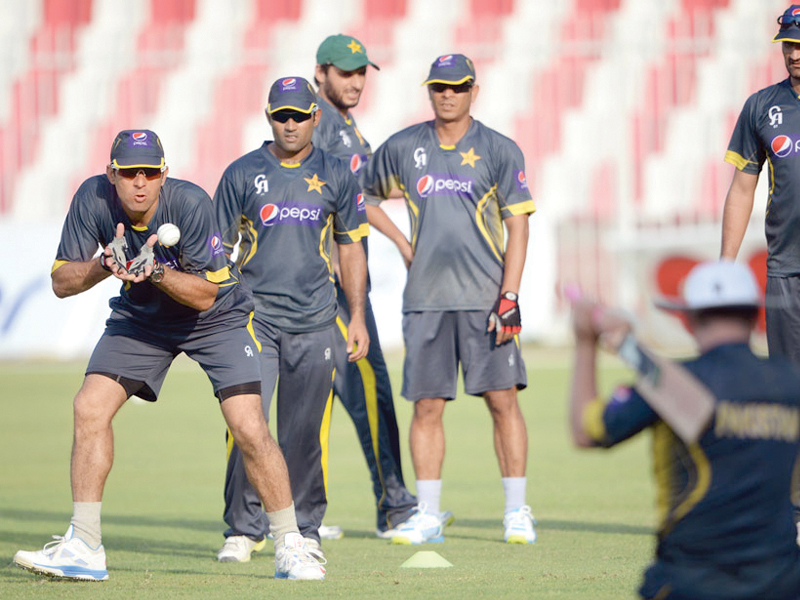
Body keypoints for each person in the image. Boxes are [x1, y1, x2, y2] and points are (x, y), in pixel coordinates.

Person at [12, 130, 324, 581]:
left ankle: (291, 544)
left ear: (165, 173)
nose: (140, 182)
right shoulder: (92, 199)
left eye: (151, 172)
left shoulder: (191, 203)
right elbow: (61, 282)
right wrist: (104, 265)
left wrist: (154, 270)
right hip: (142, 322)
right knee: (89, 406)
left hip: (216, 319)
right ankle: (84, 545)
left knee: (248, 425)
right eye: (129, 173)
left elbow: (205, 295)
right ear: (110, 174)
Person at [360, 54, 536, 545]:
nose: (447, 95)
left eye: (457, 87)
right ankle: (429, 515)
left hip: (486, 300)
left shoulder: (500, 149)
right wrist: (400, 241)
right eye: (439, 86)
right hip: (426, 301)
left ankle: (517, 510)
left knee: (503, 402)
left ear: (473, 92)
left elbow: (518, 223)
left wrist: (510, 294)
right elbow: (363, 197)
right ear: (429, 90)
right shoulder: (405, 146)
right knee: (427, 407)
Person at [569, 260, 800, 600]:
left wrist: (586, 342)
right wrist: (624, 344)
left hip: (692, 582)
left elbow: (587, 430)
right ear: (755, 317)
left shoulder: (682, 382)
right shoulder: (789, 380)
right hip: (781, 582)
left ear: (688, 320)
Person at [213, 77, 369, 562]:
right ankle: (243, 529)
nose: (290, 124)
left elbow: (351, 247)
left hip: (317, 319)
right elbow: (215, 252)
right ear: (268, 116)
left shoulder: (337, 173)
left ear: (314, 117)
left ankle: (304, 530)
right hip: (253, 320)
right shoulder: (241, 173)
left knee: (304, 433)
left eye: (299, 115)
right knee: (247, 424)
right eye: (281, 115)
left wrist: (357, 316)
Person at [312, 33, 417, 539]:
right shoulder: (315, 122)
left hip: (345, 281)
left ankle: (302, 513)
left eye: (361, 73)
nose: (355, 81)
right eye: (345, 72)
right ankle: (394, 506)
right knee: (368, 386)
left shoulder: (347, 128)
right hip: (328, 284)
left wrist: (400, 239)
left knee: (319, 395)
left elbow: (362, 197)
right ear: (321, 72)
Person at [721, 4, 800, 527]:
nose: (795, 54)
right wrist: (724, 269)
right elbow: (742, 187)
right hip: (786, 272)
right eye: (789, 45)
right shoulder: (763, 107)